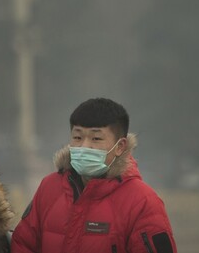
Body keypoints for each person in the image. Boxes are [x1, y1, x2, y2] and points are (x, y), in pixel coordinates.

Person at [11, 97, 177, 253]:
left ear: (120, 147)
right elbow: (22, 244)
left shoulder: (141, 202)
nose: (84, 146)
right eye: (77, 137)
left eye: (96, 138)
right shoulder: (50, 187)